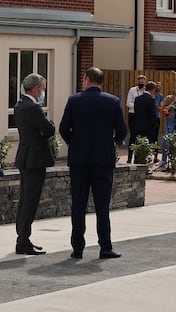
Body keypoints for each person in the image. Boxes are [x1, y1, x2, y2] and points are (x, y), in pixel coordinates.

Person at [60, 67, 128, 259]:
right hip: (103, 159)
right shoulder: (112, 101)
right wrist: (111, 143)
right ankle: (105, 246)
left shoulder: (74, 100)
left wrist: (74, 143)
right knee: (102, 206)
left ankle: (77, 248)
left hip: (79, 160)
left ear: (87, 79)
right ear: (101, 81)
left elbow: (63, 128)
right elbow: (122, 131)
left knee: (78, 205)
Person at [13, 73, 54, 255]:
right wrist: (47, 126)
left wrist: (43, 129)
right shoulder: (33, 107)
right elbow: (49, 129)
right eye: (42, 89)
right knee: (30, 201)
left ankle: (23, 238)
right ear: (36, 89)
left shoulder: (20, 105)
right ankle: (23, 241)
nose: (43, 92)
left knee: (25, 199)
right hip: (35, 159)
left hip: (25, 157)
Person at [128, 81, 157, 164]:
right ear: (152, 90)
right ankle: (143, 161)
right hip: (147, 126)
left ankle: (134, 159)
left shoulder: (137, 99)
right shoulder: (151, 100)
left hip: (137, 124)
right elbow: (152, 115)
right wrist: (154, 125)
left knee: (136, 142)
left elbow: (136, 111)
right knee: (146, 144)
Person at [124, 75, 146, 161]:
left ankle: (138, 158)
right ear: (137, 82)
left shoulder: (145, 91)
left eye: (142, 82)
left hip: (142, 116)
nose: (141, 83)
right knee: (133, 136)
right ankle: (129, 157)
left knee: (140, 137)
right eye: (140, 82)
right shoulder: (132, 90)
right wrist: (138, 106)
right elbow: (128, 103)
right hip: (133, 115)